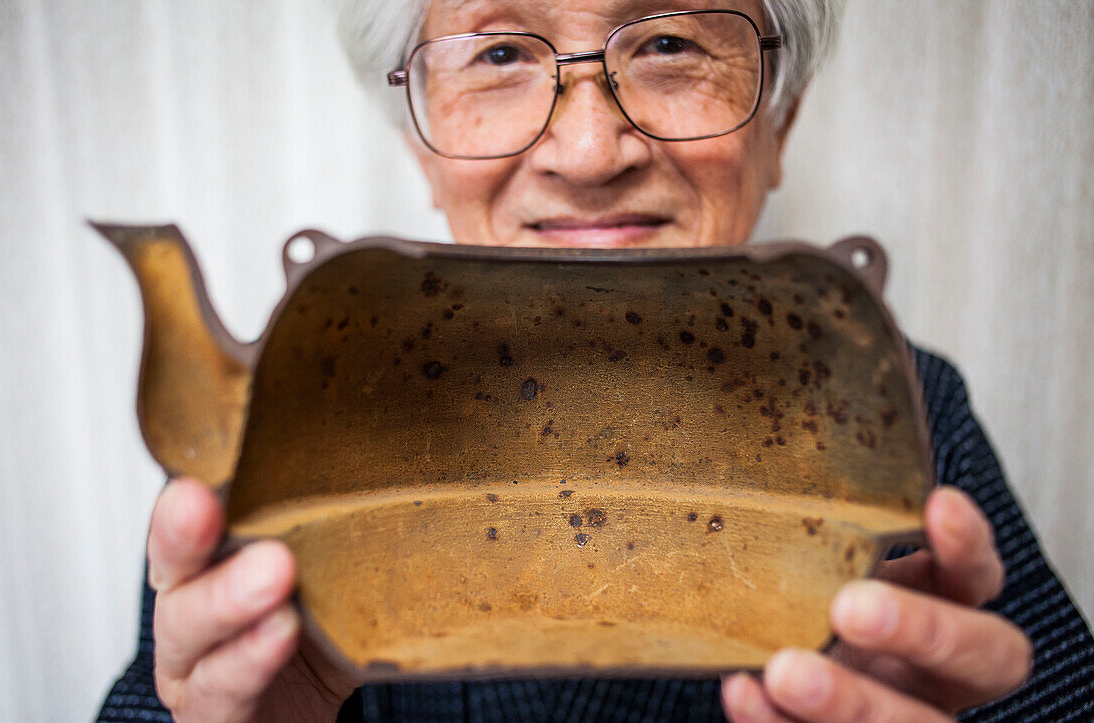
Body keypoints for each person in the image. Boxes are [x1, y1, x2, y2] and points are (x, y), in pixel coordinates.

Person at [98, 1, 1094, 721]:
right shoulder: (292, 418)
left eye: (668, 42)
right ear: (421, 143)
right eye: (496, 53)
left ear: (779, 124)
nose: (585, 149)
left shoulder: (897, 403)